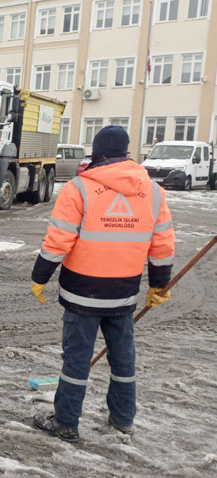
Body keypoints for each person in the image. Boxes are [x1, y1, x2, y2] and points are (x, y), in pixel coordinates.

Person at [30, 126, 175, 442]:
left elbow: (58, 241)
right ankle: (123, 420)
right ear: (126, 153)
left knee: (76, 361)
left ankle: (66, 421)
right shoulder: (152, 192)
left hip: (81, 294)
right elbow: (162, 244)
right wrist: (158, 285)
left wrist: (39, 277)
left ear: (96, 153)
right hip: (123, 295)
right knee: (124, 359)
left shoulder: (78, 189)